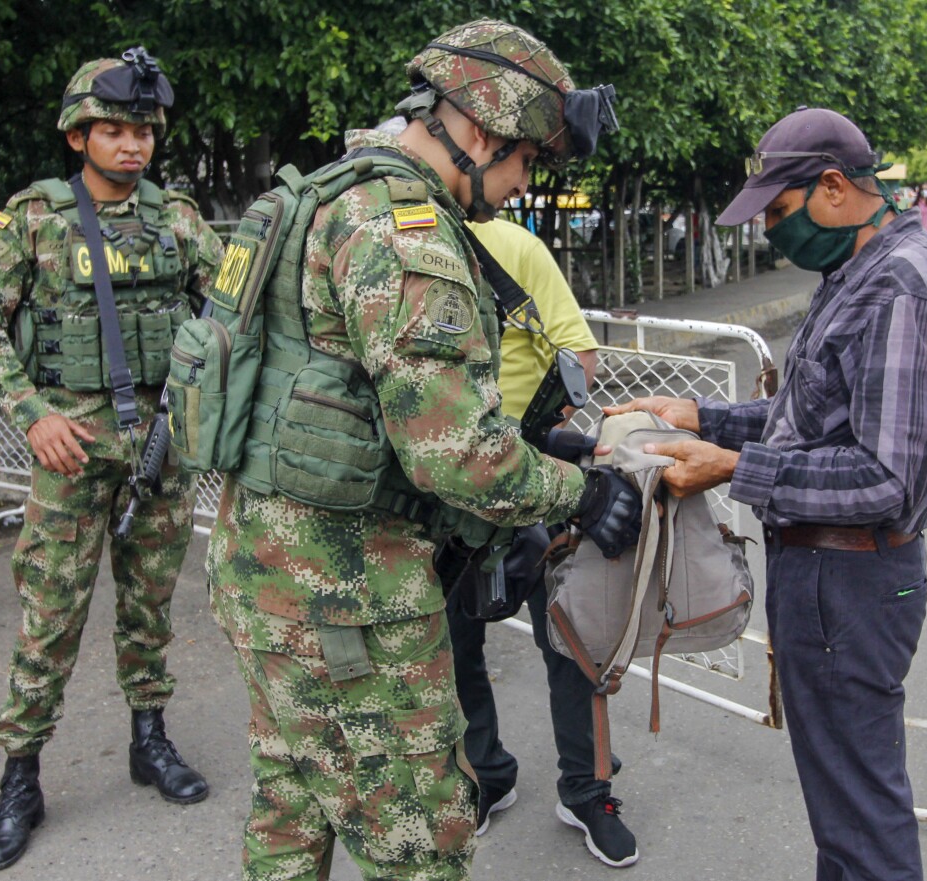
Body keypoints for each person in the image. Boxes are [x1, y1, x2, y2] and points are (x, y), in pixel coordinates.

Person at [204, 20, 641, 881]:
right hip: (349, 600)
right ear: (476, 129)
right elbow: (456, 454)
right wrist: (581, 493)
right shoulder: (407, 230)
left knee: (292, 812)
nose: (522, 185)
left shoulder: (326, 194)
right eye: (525, 160)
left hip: (263, 573)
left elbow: (351, 393)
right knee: (420, 843)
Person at [606, 107, 927, 881]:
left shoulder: (903, 290)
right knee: (843, 810)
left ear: (834, 187)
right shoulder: (858, 275)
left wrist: (728, 466)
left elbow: (883, 478)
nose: (773, 231)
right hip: (826, 576)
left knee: (861, 819)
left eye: (780, 210)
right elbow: (807, 419)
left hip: (850, 580)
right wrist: (703, 416)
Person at [0, 49, 223, 872]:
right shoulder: (34, 219)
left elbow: (229, 308)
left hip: (161, 444)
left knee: (150, 607)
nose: (132, 145)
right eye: (113, 130)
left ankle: (150, 738)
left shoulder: (177, 219)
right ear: (78, 137)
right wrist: (32, 415)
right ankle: (21, 777)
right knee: (50, 617)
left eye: (144, 131)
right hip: (68, 449)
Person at [448, 218, 641, 867]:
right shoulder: (397, 240)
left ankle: (586, 789)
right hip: (445, 488)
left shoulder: (514, 246)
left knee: (571, 639)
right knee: (453, 643)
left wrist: (530, 440)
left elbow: (580, 356)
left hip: (535, 478)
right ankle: (483, 773)